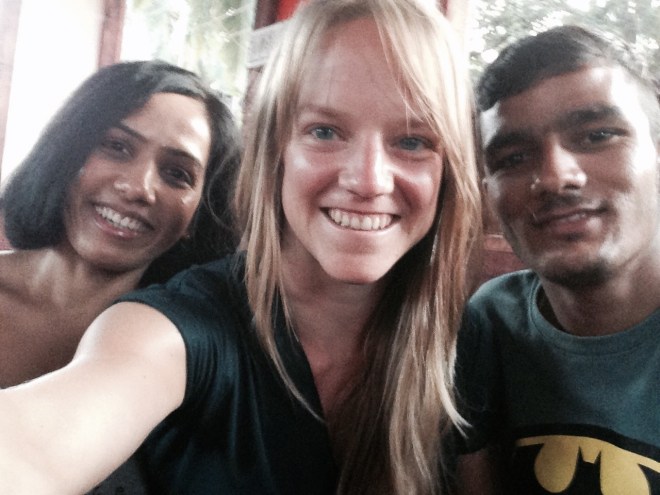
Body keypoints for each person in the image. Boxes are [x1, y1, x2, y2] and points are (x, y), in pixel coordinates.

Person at [0, 0, 482, 494]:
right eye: (324, 131)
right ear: (275, 152)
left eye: (412, 142)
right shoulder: (181, 326)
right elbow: (34, 443)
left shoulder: (467, 340)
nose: (368, 179)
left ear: (451, 167)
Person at [0, 60, 241, 492]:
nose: (137, 187)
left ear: (197, 216)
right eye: (116, 147)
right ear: (68, 153)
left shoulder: (195, 353)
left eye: (177, 174)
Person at [455, 25, 660, 494]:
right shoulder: (489, 323)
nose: (554, 177)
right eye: (512, 158)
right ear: (488, 193)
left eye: (598, 135)